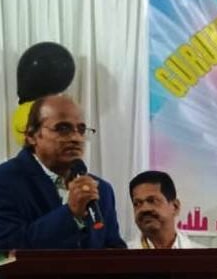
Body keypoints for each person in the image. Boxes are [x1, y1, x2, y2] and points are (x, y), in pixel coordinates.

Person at [0, 95, 125, 249]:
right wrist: (70, 213)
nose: (76, 138)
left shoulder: (101, 190)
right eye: (63, 129)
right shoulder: (5, 180)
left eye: (81, 129)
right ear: (32, 136)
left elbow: (114, 249)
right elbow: (8, 249)